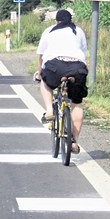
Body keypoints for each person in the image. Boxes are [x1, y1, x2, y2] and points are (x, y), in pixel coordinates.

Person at [35, 9, 88, 154]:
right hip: (77, 68)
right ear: (70, 20)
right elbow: (83, 53)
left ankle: (50, 111)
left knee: (45, 83)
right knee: (77, 103)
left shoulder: (49, 31)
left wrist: (40, 74)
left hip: (55, 66)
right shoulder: (78, 31)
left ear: (57, 21)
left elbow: (41, 56)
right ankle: (74, 142)